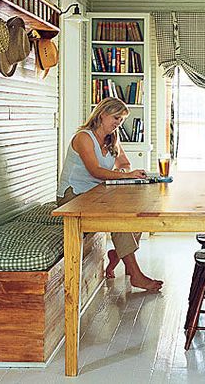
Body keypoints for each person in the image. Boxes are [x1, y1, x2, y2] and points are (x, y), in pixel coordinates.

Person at [57, 97, 163, 292]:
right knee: (118, 219)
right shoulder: (83, 137)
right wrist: (126, 176)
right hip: (73, 197)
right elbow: (95, 171)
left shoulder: (112, 139)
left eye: (121, 120)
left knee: (134, 212)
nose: (118, 124)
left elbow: (124, 164)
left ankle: (117, 255)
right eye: (116, 118)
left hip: (97, 194)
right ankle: (136, 275)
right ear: (102, 114)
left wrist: (125, 173)